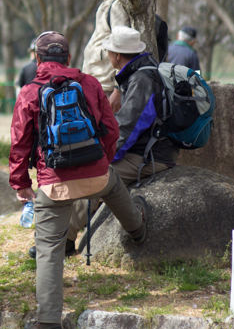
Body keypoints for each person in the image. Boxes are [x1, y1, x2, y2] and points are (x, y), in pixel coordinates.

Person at [10, 31, 147, 329]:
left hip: (54, 184)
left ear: (37, 59)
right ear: (69, 58)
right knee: (114, 189)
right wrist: (102, 162)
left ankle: (48, 322)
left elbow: (19, 144)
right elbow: (111, 130)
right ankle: (137, 230)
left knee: (48, 249)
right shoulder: (90, 84)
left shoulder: (30, 92)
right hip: (97, 174)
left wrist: (21, 184)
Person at [66, 26, 175, 245]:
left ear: (116, 55)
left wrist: (102, 157)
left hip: (148, 156)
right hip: (145, 151)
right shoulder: (142, 71)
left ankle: (62, 238)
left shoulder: (141, 80)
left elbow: (127, 129)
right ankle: (66, 234)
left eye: (107, 51)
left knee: (96, 175)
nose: (107, 55)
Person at [81, 0, 131, 112]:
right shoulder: (107, 5)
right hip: (99, 88)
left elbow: (124, 49)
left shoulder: (116, 6)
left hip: (108, 91)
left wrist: (118, 90)